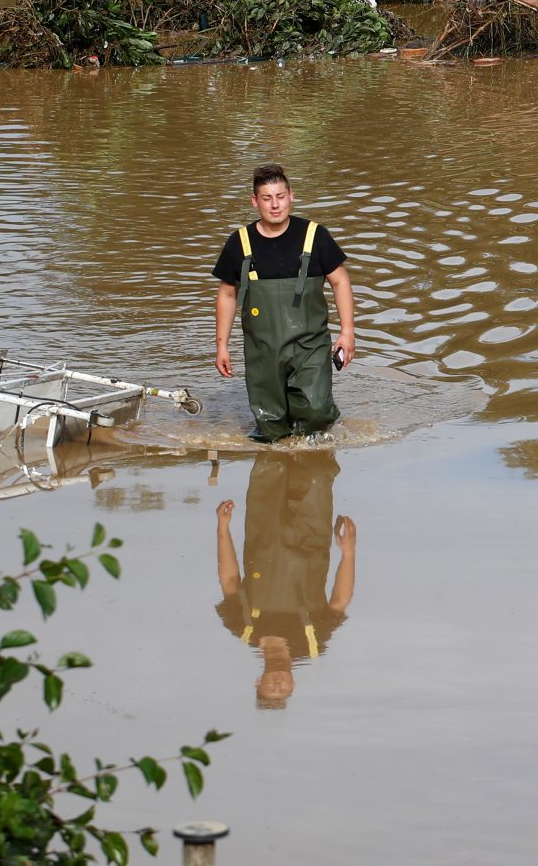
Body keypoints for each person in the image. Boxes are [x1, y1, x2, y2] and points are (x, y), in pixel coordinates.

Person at [212, 164, 356, 442]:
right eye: (267, 198)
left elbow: (341, 281)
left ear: (291, 196)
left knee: (316, 412)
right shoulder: (239, 242)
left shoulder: (315, 236)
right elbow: (227, 293)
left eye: (280, 196)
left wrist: (347, 332)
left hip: (310, 345)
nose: (275, 205)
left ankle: (314, 461)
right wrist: (222, 345)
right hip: (262, 349)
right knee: (270, 426)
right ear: (255, 201)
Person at [214, 452, 356, 709]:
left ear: (258, 681)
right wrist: (348, 553)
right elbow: (340, 601)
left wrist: (223, 529)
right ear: (294, 685)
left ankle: (273, 423)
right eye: (283, 691)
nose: (278, 685)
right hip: (312, 535)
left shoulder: (244, 628)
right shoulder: (313, 641)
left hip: (263, 532)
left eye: (270, 688)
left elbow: (230, 579)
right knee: (317, 469)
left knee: (270, 462)